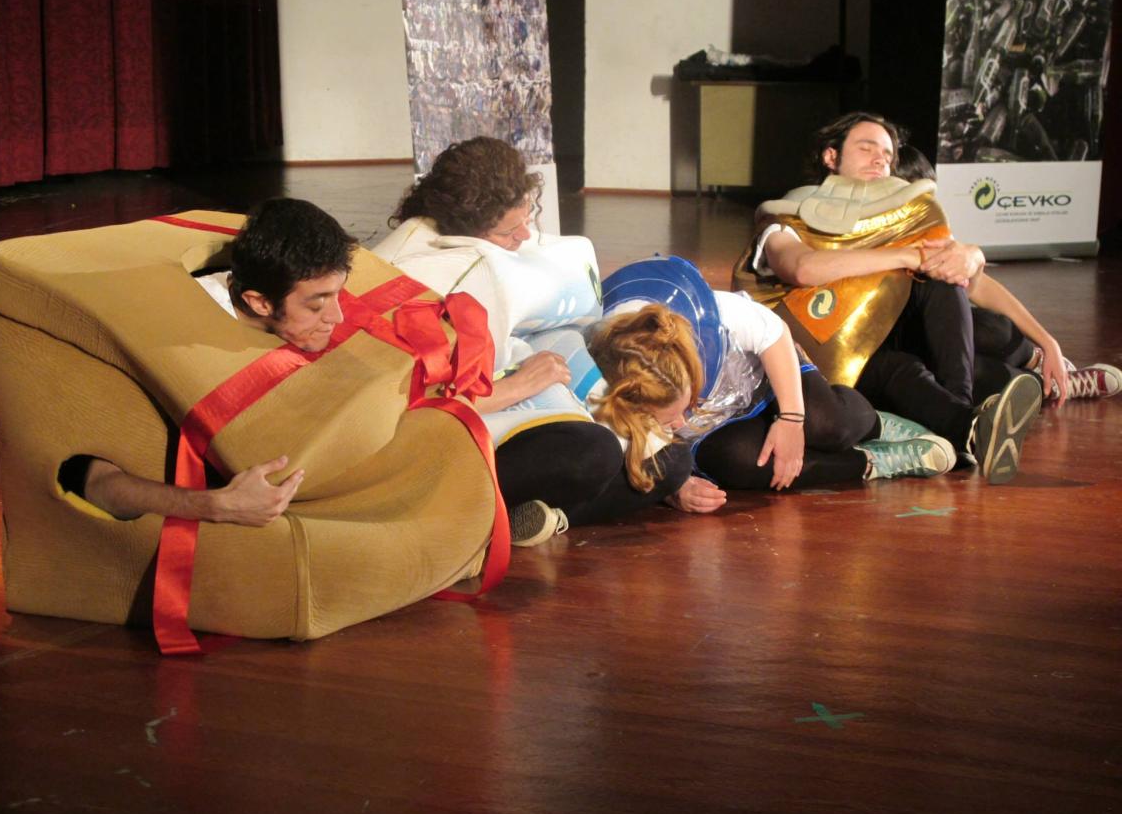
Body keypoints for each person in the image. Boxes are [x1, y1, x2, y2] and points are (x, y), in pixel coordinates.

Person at [375, 136, 703, 540]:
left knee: (670, 462)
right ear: (468, 229)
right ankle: (517, 520)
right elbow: (406, 410)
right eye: (508, 231)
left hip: (516, 397)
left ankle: (532, 516)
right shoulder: (426, 280)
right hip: (439, 446)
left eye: (527, 217)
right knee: (595, 453)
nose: (525, 236)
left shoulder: (491, 260)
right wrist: (519, 386)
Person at [742, 111, 1043, 484]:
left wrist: (1047, 340)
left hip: (899, 330)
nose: (879, 160)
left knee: (960, 300)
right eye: (866, 148)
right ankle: (974, 423)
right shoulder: (784, 219)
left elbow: (971, 281)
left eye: (887, 155)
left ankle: (973, 418)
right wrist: (907, 256)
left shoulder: (904, 217)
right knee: (910, 370)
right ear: (831, 156)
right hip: (832, 357)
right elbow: (802, 268)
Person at [59, 197, 355, 525]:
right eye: (317, 305)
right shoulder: (164, 339)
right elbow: (90, 479)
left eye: (338, 295)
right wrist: (215, 505)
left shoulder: (287, 296)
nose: (337, 316)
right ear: (260, 303)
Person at [591, 293, 956, 508]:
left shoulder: (708, 313)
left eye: (684, 408)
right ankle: (876, 461)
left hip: (763, 373)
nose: (681, 422)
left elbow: (774, 332)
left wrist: (792, 418)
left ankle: (875, 423)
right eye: (667, 420)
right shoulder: (599, 392)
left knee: (826, 424)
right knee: (743, 463)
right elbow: (632, 458)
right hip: (716, 424)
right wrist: (673, 488)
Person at [895, 143, 1122, 404]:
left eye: (927, 199)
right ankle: (1053, 386)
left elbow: (979, 288)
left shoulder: (931, 236)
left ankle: (1039, 363)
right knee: (974, 372)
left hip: (937, 332)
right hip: (899, 349)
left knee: (992, 329)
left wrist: (1048, 343)